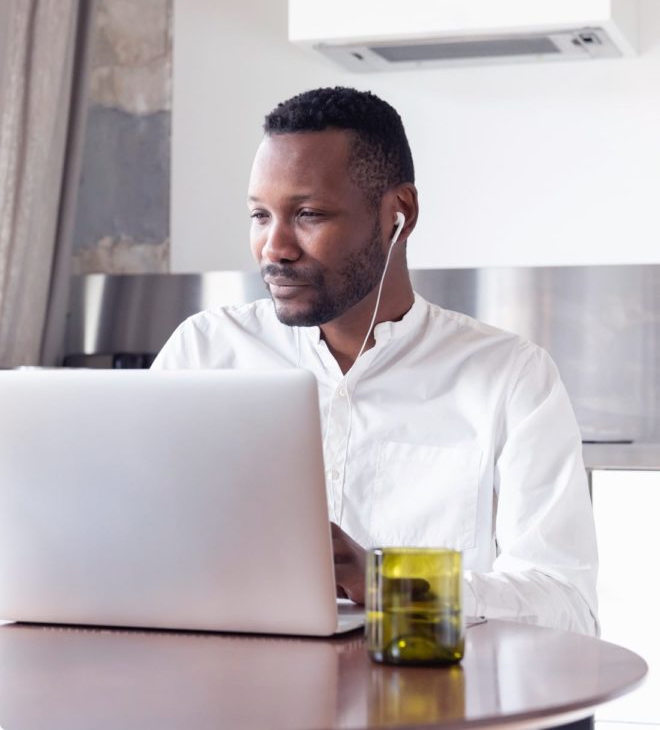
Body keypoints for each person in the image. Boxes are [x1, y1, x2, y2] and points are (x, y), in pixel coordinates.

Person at [152, 86, 599, 636]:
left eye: (309, 214)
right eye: (260, 216)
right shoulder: (204, 351)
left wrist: (391, 582)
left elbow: (569, 605)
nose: (275, 247)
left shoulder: (510, 378)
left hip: (430, 708)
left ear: (399, 214)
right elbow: (132, 542)